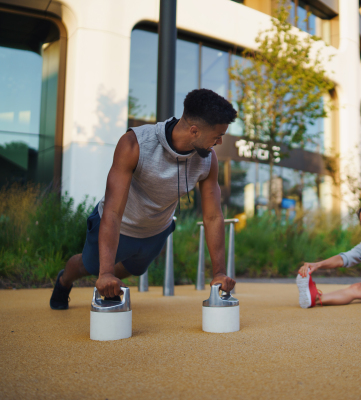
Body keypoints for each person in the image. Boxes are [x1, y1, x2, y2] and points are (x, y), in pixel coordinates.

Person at [50, 89, 237, 309]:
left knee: (134, 269)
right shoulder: (135, 144)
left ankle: (112, 275)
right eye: (217, 136)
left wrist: (219, 273)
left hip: (156, 231)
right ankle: (64, 280)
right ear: (194, 131)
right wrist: (106, 272)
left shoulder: (208, 160)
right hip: (119, 226)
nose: (220, 142)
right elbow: (112, 211)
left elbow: (214, 216)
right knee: (88, 266)